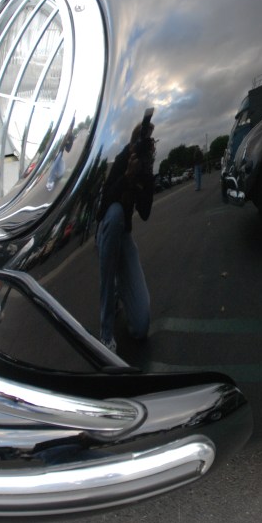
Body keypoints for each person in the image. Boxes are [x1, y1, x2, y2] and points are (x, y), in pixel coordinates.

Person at [95, 114, 155, 352]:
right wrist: (127, 176)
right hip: (106, 232)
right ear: (132, 146)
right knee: (117, 212)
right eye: (141, 146)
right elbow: (102, 209)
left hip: (124, 236)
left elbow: (146, 212)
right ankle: (105, 333)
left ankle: (121, 289)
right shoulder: (121, 160)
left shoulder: (144, 168)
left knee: (141, 328)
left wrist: (146, 175)